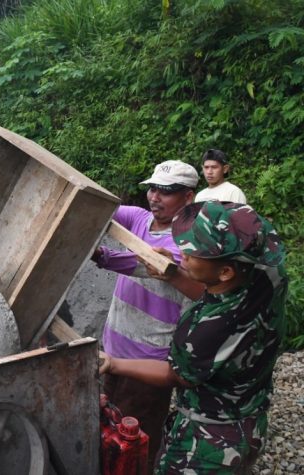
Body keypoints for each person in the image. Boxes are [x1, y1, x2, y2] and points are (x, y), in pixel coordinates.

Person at [99, 201, 287, 474]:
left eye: (190, 254)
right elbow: (219, 288)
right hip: (250, 411)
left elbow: (176, 375)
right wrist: (175, 273)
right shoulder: (266, 272)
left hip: (212, 438)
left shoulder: (210, 330)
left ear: (225, 272)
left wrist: (113, 364)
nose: (181, 255)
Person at [92, 159, 204, 473]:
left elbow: (145, 265)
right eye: (152, 188)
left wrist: (101, 255)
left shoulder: (190, 242)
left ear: (188, 197)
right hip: (113, 348)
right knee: (105, 424)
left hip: (149, 359)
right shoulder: (140, 218)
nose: (155, 196)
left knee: (136, 439)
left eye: (167, 191)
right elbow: (101, 208)